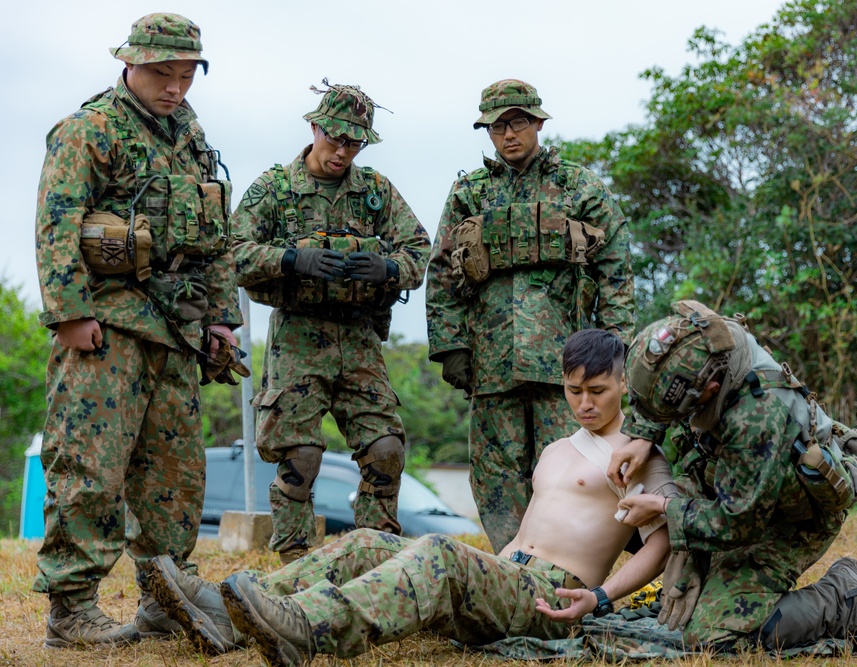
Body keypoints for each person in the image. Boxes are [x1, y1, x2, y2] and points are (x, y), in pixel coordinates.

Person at [142, 329, 676, 665]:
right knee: (367, 542)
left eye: (597, 392)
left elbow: (661, 545)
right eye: (573, 390)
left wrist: (601, 598)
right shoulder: (558, 448)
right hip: (509, 576)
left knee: (439, 550)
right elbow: (532, 527)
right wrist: (485, 570)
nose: (584, 403)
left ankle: (307, 626)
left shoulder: (636, 456)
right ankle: (223, 612)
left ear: (624, 383)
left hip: (555, 596)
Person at [32, 13, 242, 648]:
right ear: (131, 64)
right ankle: (71, 610)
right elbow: (57, 223)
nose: (175, 87)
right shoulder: (90, 129)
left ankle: (164, 597)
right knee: (90, 467)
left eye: (185, 75)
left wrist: (221, 317)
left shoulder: (192, 137)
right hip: (108, 324)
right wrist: (70, 313)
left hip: (175, 330)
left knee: (174, 476)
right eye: (162, 73)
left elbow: (215, 235)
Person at [424, 79, 659, 551]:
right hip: (492, 363)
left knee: (576, 470)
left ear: (538, 123)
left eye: (518, 123)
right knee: (497, 475)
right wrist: (451, 346)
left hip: (567, 366)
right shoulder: (469, 194)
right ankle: (514, 574)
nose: (508, 135)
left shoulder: (580, 187)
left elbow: (615, 270)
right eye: (497, 127)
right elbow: (443, 273)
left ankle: (573, 563)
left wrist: (614, 349)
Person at [611, 300, 857, 654]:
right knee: (679, 598)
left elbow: (738, 522)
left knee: (709, 634)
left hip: (790, 517)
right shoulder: (703, 340)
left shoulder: (756, 419)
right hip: (739, 491)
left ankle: (844, 599)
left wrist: (664, 507)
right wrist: (642, 435)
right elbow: (657, 374)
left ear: (708, 391)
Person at [231, 82, 430, 564]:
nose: (343, 152)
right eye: (335, 139)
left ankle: (372, 557)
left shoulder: (375, 192)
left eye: (354, 143)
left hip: (360, 336)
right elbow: (232, 251)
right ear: (315, 128)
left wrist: (389, 268)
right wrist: (289, 259)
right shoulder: (276, 187)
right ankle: (298, 566)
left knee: (384, 449)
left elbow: (419, 249)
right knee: (300, 457)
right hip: (299, 335)